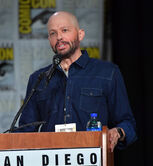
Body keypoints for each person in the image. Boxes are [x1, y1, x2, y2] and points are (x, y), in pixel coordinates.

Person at [18, 11, 137, 152]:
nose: (59, 37)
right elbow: (24, 133)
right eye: (53, 33)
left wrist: (117, 132)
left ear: (80, 34)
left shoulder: (108, 72)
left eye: (65, 30)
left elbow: (128, 124)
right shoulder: (39, 79)